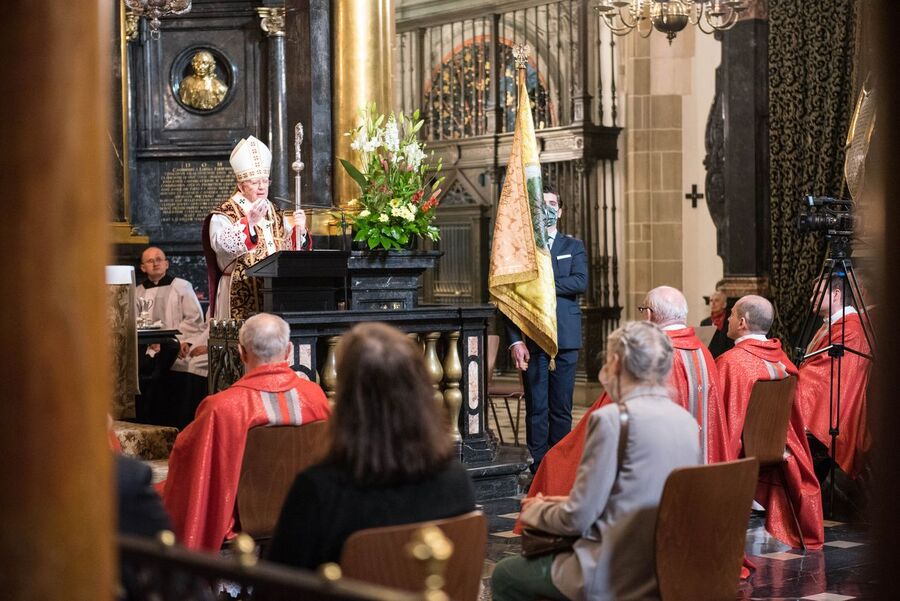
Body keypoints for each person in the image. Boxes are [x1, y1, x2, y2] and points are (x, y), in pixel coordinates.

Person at [492, 321, 701, 601]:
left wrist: (534, 511)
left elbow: (578, 517)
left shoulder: (612, 420)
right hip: (665, 563)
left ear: (616, 363)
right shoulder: (685, 421)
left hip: (614, 568)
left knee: (505, 573)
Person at [267, 323, 476, 570]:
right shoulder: (456, 482)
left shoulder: (318, 491)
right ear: (419, 393)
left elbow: (277, 587)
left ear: (345, 399)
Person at [518, 285, 727, 513]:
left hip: (636, 522)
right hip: (698, 495)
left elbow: (593, 441)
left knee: (555, 461)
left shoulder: (651, 352)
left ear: (649, 314)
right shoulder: (704, 353)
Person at [162, 313, 331, 551]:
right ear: (289, 350)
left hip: (242, 520)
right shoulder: (314, 396)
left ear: (240, 352)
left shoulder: (221, 407)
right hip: (305, 512)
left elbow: (189, 464)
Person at [716, 295, 824, 549]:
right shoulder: (783, 360)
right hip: (780, 448)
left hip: (742, 452)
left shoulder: (730, 363)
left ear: (741, 322)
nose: (728, 319)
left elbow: (719, 418)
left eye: (731, 314)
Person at [507, 185, 588, 472]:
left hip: (565, 338)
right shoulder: (524, 251)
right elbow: (511, 298)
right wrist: (515, 341)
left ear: (561, 210)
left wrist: (543, 285)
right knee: (537, 407)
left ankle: (560, 465)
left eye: (553, 203)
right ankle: (539, 466)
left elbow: (580, 281)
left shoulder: (573, 246)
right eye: (543, 204)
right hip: (534, 336)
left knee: (561, 407)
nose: (548, 209)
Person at [202, 135, 311, 321]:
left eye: (265, 181)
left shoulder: (275, 212)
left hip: (273, 292)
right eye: (254, 182)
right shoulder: (224, 214)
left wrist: (299, 232)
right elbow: (220, 246)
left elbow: (288, 251)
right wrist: (249, 223)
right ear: (240, 186)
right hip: (239, 289)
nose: (261, 187)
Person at [796, 275, 871, 480]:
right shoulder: (832, 325)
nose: (812, 299)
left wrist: (790, 382)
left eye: (817, 293)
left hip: (837, 412)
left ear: (836, 294)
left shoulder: (851, 329)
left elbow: (829, 376)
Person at [135, 246, 206, 425]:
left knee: (182, 365)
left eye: (159, 259)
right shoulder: (137, 292)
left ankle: (177, 422)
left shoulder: (182, 286)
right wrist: (151, 343)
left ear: (167, 263)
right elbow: (134, 322)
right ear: (143, 267)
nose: (156, 263)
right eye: (150, 261)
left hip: (177, 345)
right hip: (146, 348)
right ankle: (147, 420)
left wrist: (180, 342)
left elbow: (193, 320)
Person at [700, 288, 734, 358]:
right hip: (710, 358)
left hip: (727, 358)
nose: (713, 303)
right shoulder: (704, 323)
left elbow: (732, 345)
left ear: (724, 304)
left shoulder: (731, 321)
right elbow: (703, 345)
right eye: (711, 301)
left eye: (717, 300)